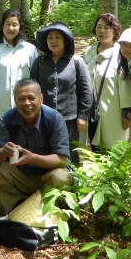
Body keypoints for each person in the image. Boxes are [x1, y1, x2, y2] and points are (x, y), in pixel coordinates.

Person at [0, 79, 71, 215]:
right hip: (21, 176)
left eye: (31, 98)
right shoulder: (7, 119)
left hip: (47, 176)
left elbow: (61, 160)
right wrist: (3, 151)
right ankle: (17, 208)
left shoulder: (54, 119)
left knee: (61, 177)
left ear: (41, 99)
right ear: (15, 100)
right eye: (21, 99)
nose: (27, 103)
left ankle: (47, 210)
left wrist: (33, 158)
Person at [30, 21, 92, 161]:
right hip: (45, 118)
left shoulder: (76, 62)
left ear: (65, 40)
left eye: (57, 37)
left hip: (69, 120)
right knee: (46, 154)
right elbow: (32, 89)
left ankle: (72, 182)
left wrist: (83, 115)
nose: (53, 41)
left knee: (70, 156)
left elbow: (86, 90)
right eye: (50, 37)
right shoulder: (39, 62)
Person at [82, 13, 130, 150]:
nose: (102, 31)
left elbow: (126, 86)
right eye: (99, 27)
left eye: (107, 27)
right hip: (91, 111)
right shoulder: (90, 51)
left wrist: (128, 113)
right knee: (94, 149)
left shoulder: (121, 54)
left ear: (115, 30)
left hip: (113, 110)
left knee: (113, 149)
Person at [0, 9, 38, 137]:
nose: (10, 28)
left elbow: (35, 78)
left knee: (24, 147)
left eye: (14, 24)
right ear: (2, 26)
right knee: (1, 148)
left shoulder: (29, 49)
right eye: (7, 24)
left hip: (25, 109)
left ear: (20, 27)